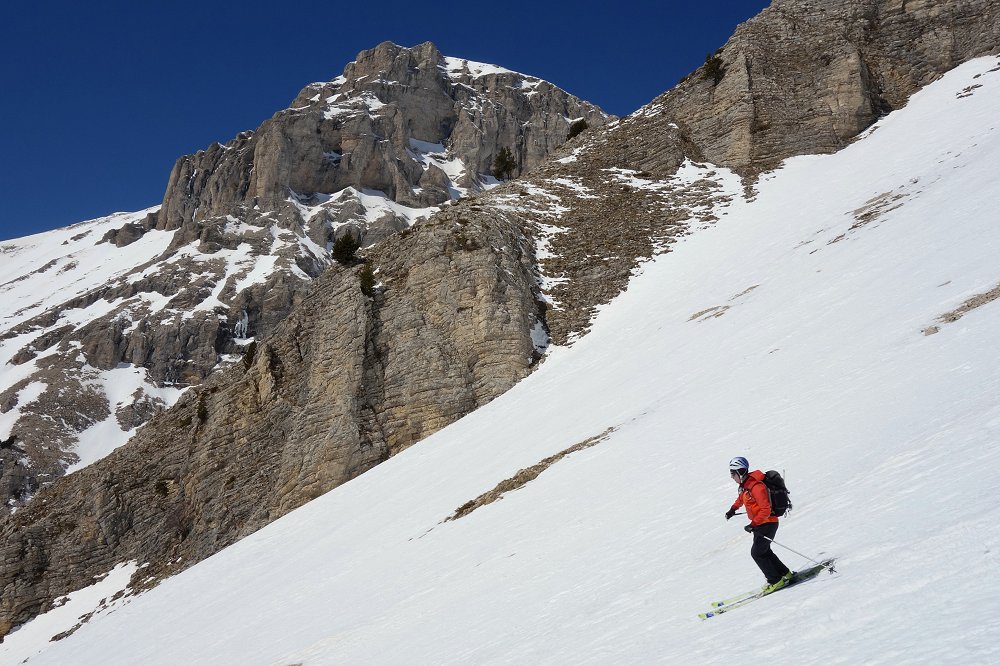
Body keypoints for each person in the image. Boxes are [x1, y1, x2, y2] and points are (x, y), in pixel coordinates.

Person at [725, 456, 794, 593]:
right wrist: (733, 509)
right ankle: (785, 574)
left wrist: (753, 524)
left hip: (767, 523)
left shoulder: (756, 486)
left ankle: (775, 580)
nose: (731, 477)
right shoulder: (746, 485)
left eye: (733, 473)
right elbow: (741, 498)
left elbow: (766, 509)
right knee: (764, 551)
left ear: (740, 472)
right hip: (761, 524)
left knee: (757, 553)